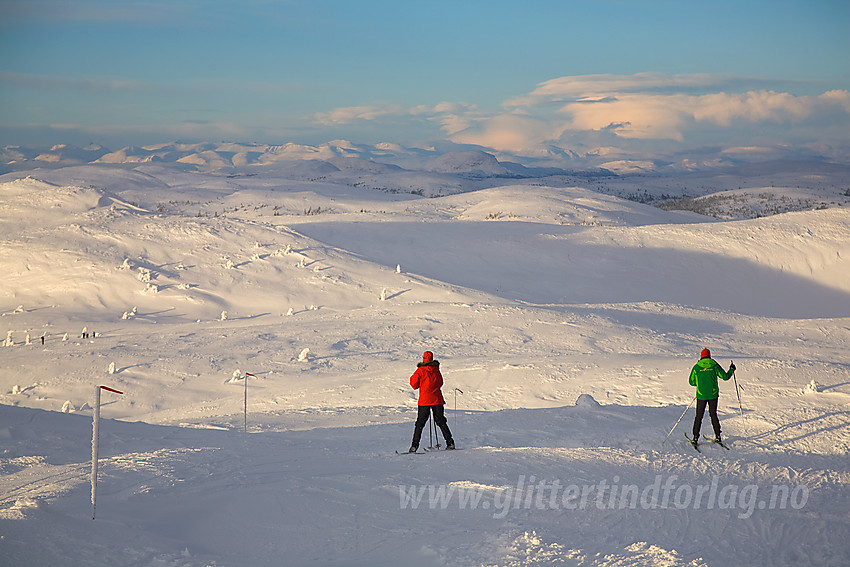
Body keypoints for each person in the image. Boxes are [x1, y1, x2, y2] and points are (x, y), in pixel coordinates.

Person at [409, 351, 455, 452]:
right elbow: (440, 383)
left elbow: (414, 384)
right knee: (441, 421)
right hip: (437, 399)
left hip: (425, 400)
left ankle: (414, 446)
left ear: (423, 358)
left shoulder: (420, 370)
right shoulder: (436, 370)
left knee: (420, 424)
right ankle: (450, 442)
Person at [689, 348, 735, 445]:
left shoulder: (697, 367)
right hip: (713, 395)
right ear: (709, 356)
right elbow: (725, 377)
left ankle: (695, 438)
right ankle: (718, 436)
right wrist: (731, 370)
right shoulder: (714, 365)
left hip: (701, 395)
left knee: (699, 416)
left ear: (701, 356)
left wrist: (700, 384)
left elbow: (691, 382)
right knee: (713, 414)